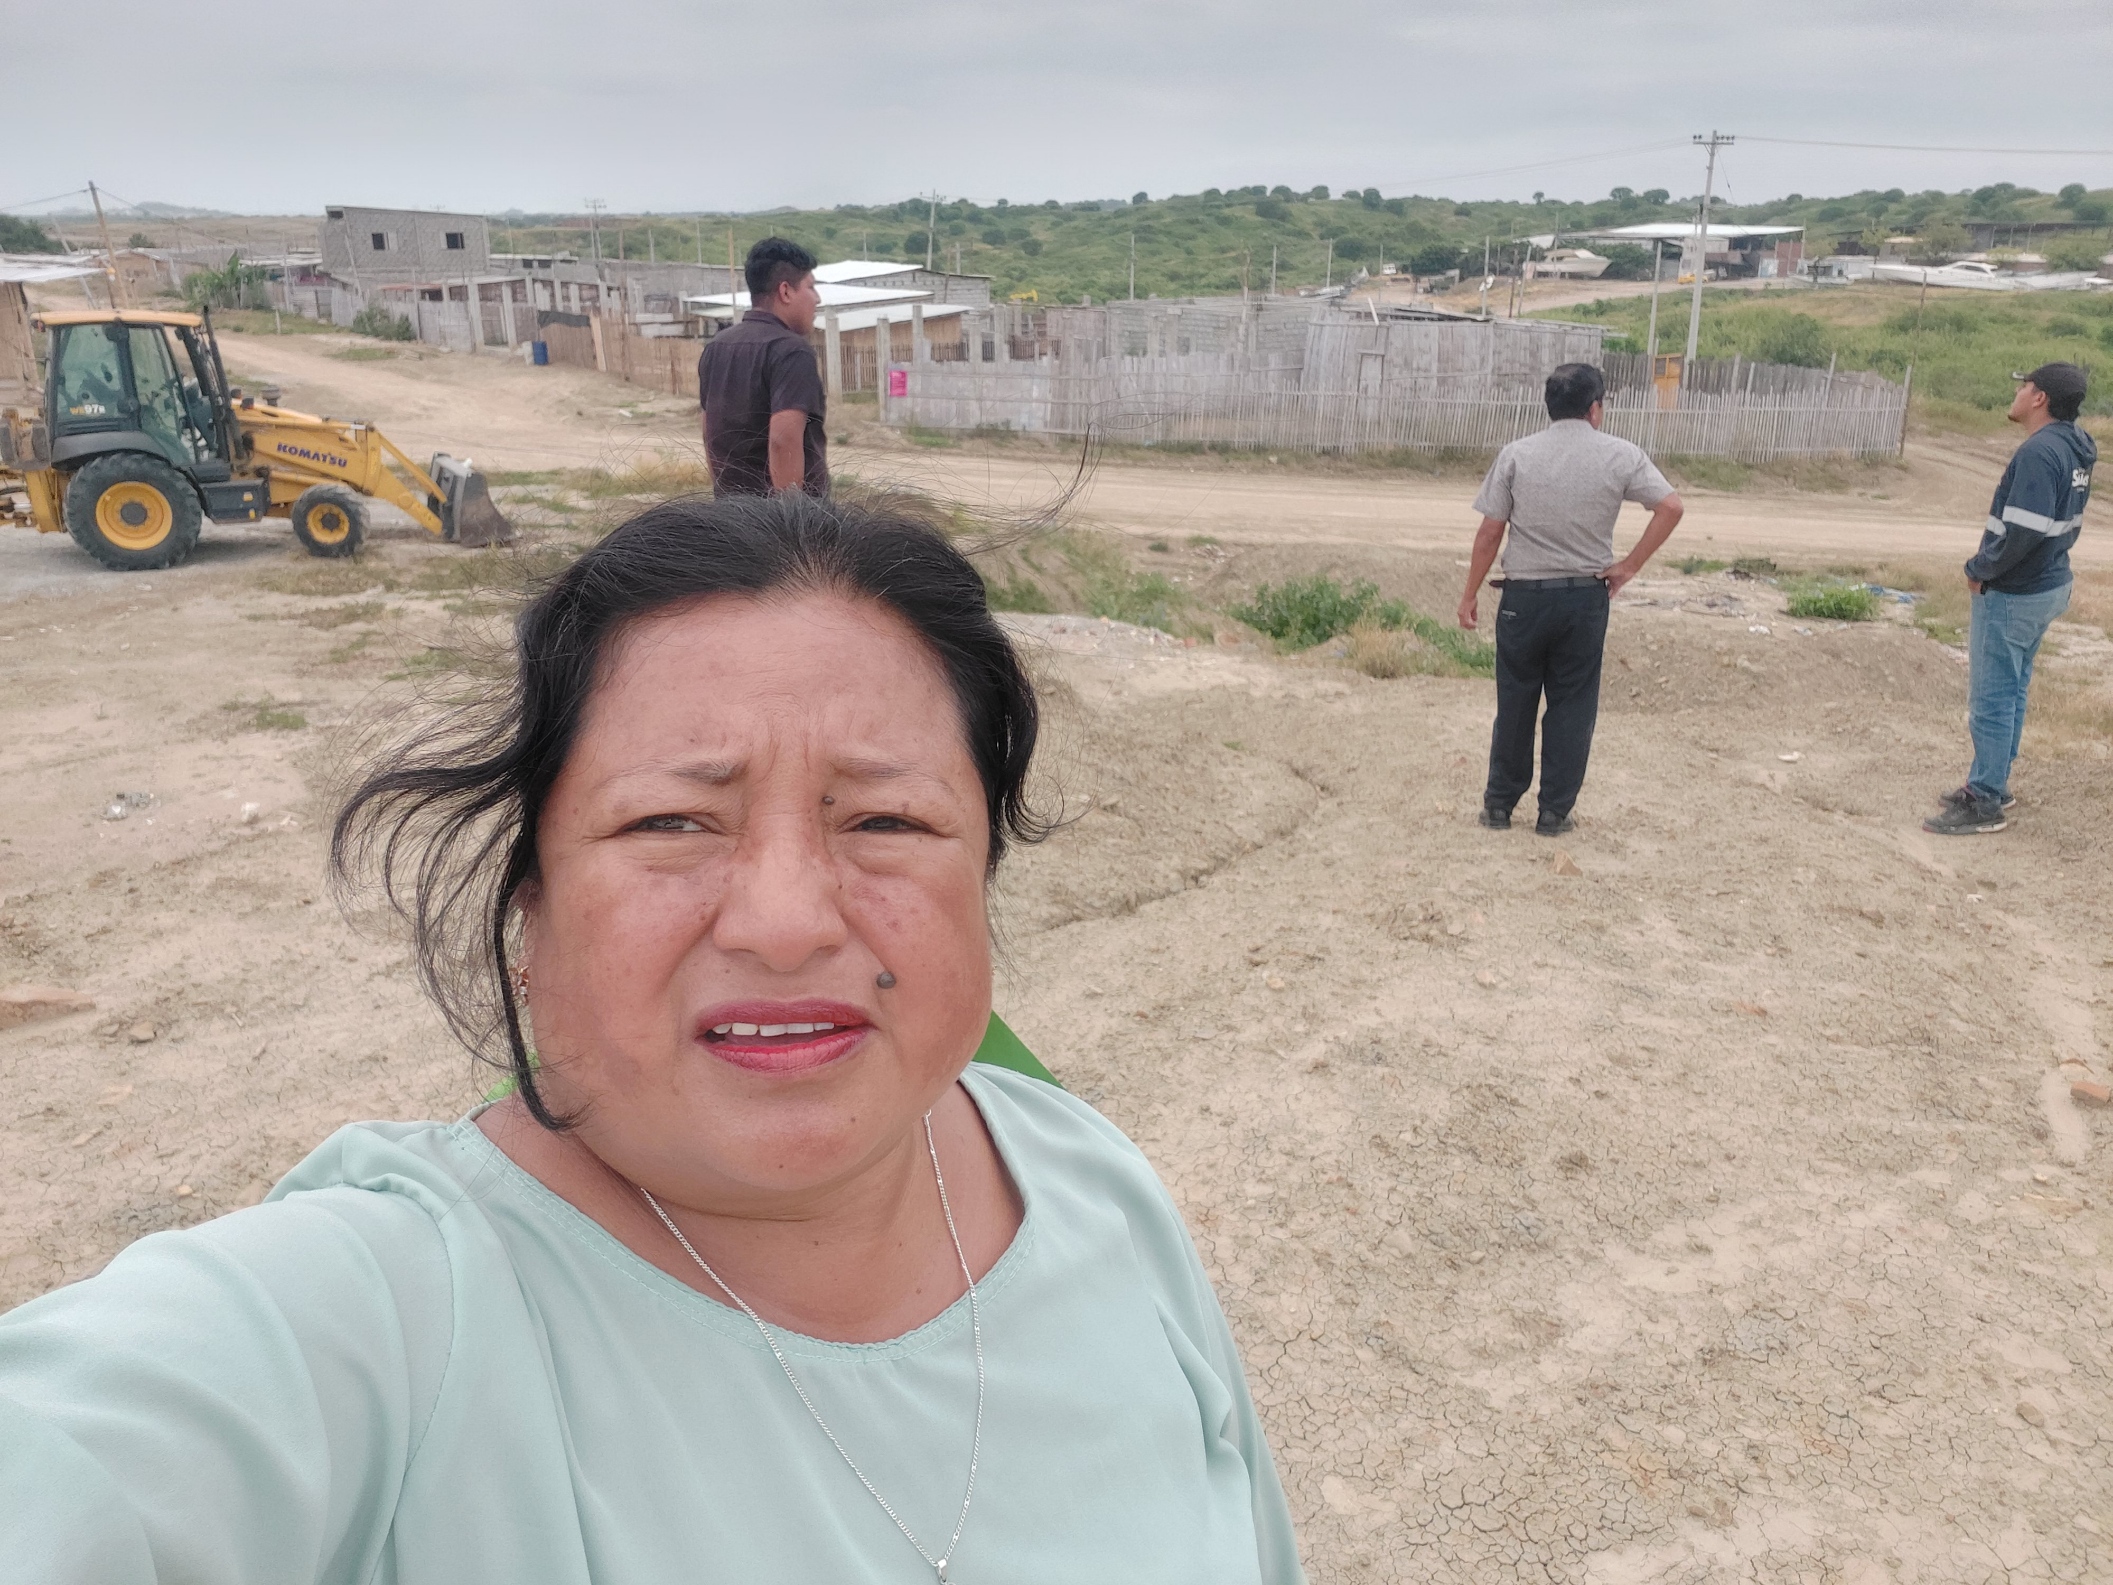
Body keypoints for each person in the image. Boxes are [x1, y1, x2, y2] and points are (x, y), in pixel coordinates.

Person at [0, 494, 1304, 1585]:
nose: (786, 921)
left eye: (886, 821)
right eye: (671, 823)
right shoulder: (381, 1319)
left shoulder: (1091, 1183)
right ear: (532, 904)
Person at [1456, 363, 1685, 835]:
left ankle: (1499, 805)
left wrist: (1470, 593)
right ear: (1595, 408)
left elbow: (1489, 533)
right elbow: (1671, 506)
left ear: (1549, 406)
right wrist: (1630, 565)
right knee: (1573, 705)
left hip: (1523, 599)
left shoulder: (1517, 455)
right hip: (1584, 598)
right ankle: (1554, 812)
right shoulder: (1621, 455)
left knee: (1515, 700)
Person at [1924, 361, 2095, 836]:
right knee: (2013, 687)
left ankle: (1984, 800)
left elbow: (2024, 531)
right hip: (2049, 584)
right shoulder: (2075, 444)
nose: (2017, 393)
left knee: (1992, 697)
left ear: (2039, 398)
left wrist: (1980, 570)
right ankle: (1995, 783)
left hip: (2015, 591)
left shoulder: (2040, 452)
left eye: (2025, 386)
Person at [699, 236, 829, 497]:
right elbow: (783, 439)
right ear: (785, 291)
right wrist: (791, 515)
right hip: (782, 517)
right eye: (811, 287)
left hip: (730, 511)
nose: (817, 299)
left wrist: (724, 498)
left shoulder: (717, 347)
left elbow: (709, 431)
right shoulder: (791, 351)